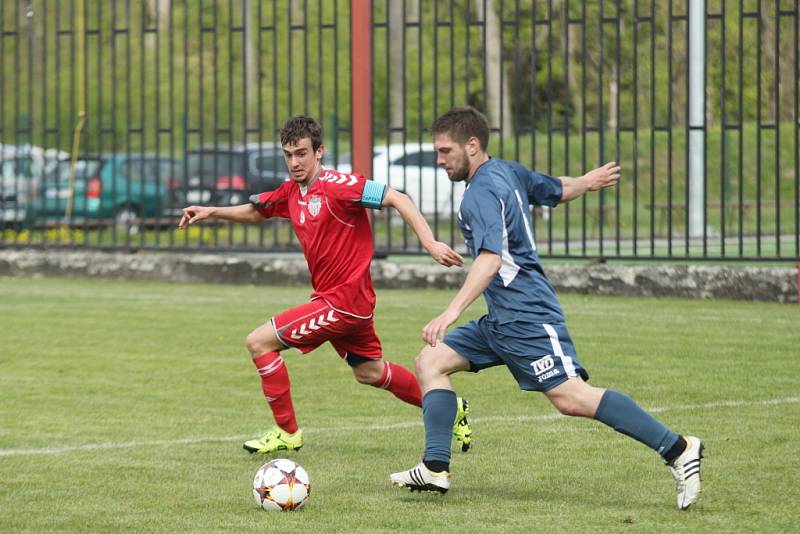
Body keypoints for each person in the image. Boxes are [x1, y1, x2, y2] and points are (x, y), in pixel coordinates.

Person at [389, 106, 703, 510]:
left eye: (445, 151)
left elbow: (489, 260)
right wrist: (588, 182)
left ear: (472, 145)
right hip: (500, 320)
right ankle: (434, 467)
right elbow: (555, 188)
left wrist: (450, 312)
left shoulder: (480, 193)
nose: (440, 160)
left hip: (527, 316)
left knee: (572, 398)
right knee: (431, 362)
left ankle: (678, 449)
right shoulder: (508, 171)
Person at [179, 116, 472, 455]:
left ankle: (286, 432)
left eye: (301, 153)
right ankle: (448, 408)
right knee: (369, 372)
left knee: (259, 342)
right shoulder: (292, 191)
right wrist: (212, 211)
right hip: (344, 303)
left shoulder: (340, 184)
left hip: (342, 303)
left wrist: (430, 244)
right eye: (288, 155)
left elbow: (399, 198)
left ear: (319, 151)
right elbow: (258, 211)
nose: (294, 162)